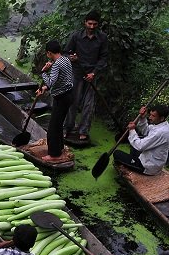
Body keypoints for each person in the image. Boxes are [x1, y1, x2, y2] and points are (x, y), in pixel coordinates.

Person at [64, 10, 108, 143]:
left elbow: (104, 58)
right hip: (77, 72)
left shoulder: (102, 38)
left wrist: (94, 72)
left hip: (92, 74)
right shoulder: (76, 36)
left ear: (98, 24)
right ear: (85, 23)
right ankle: (69, 128)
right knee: (73, 101)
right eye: (90, 24)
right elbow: (65, 53)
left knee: (88, 104)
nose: (92, 27)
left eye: (95, 24)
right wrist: (71, 57)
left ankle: (83, 130)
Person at [37, 40, 74, 163]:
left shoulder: (57, 64)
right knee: (58, 124)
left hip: (62, 97)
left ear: (49, 53)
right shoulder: (66, 59)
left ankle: (54, 154)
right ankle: (60, 148)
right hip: (68, 95)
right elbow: (59, 80)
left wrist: (43, 72)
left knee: (53, 127)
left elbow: (50, 82)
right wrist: (45, 88)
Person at [113, 104, 169, 175]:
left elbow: (140, 146)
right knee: (134, 147)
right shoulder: (161, 125)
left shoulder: (161, 132)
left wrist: (132, 130)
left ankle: (134, 164)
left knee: (117, 153)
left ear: (162, 118)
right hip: (149, 158)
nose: (150, 117)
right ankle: (132, 161)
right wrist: (142, 118)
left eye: (153, 116)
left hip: (149, 167)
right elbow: (146, 131)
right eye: (150, 114)